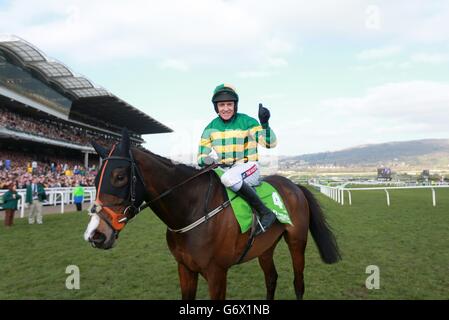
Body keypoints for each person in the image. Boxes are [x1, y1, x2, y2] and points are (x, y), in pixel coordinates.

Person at [197, 84, 278, 235]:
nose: (226, 108)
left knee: (228, 178)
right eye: (222, 105)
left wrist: (265, 124)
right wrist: (208, 160)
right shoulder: (209, 128)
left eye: (229, 104)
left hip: (248, 166)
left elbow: (269, 143)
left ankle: (266, 213)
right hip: (224, 168)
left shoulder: (248, 122)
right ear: (216, 107)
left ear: (235, 105)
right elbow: (201, 155)